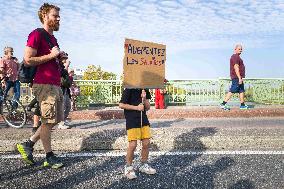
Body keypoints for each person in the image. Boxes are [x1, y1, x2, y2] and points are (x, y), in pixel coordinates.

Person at [16, 3, 64, 169]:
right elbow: (28, 59)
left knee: (51, 121)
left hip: (54, 83)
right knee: (48, 120)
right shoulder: (37, 34)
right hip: (44, 83)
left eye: (58, 16)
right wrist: (51, 55)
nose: (58, 18)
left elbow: (51, 57)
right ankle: (49, 156)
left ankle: (28, 144)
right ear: (45, 16)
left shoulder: (52, 38)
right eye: (55, 15)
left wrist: (59, 57)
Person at [119, 88, 156, 180]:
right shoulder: (129, 89)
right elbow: (121, 104)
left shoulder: (145, 89)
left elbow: (147, 107)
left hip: (143, 119)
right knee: (133, 145)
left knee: (146, 143)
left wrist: (144, 99)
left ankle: (143, 165)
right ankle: (128, 167)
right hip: (132, 119)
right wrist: (136, 107)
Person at [220, 44, 249, 110]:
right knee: (233, 90)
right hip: (236, 77)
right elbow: (236, 67)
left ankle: (242, 105)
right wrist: (239, 78)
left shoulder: (238, 57)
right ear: (235, 49)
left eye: (241, 49)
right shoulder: (235, 56)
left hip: (239, 77)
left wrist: (240, 78)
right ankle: (223, 104)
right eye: (239, 49)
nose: (240, 50)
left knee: (241, 90)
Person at [58, 57, 72, 129]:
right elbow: (63, 74)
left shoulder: (62, 66)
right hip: (61, 89)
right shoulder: (58, 65)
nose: (66, 59)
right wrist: (66, 66)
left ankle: (63, 120)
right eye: (64, 58)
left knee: (68, 106)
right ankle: (61, 123)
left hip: (66, 89)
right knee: (62, 107)